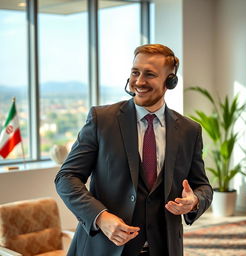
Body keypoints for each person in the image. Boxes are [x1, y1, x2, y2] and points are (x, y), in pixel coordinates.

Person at [55, 43, 213, 256]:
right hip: (104, 247)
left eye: (149, 74)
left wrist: (194, 201)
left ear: (170, 81)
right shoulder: (102, 120)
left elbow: (202, 186)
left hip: (164, 248)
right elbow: (66, 177)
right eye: (135, 72)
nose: (138, 82)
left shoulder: (189, 130)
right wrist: (101, 217)